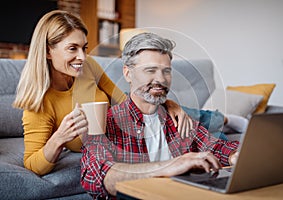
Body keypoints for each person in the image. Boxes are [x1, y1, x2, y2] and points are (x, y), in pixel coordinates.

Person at [13, 10, 191, 176]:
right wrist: (60, 137)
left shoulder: (87, 66)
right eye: (72, 48)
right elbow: (31, 164)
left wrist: (169, 104)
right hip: (122, 138)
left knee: (207, 122)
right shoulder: (39, 103)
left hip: (138, 122)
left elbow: (123, 99)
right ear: (47, 51)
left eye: (84, 48)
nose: (82, 57)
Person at [80, 32, 240, 199]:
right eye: (150, 70)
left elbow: (216, 147)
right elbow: (96, 177)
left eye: (166, 71)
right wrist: (170, 166)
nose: (161, 79)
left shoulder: (177, 118)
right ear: (128, 73)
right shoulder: (107, 122)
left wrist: (235, 156)